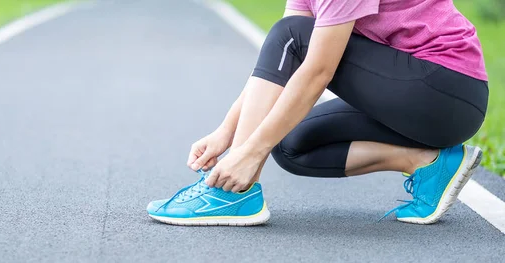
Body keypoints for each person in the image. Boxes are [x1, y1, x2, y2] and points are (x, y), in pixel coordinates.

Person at [146, 0, 489, 226]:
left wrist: (247, 155)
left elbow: (315, 70)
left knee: (289, 44)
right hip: (422, 98)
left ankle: (232, 193)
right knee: (290, 144)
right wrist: (228, 131)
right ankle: (427, 163)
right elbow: (277, 63)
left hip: (446, 89)